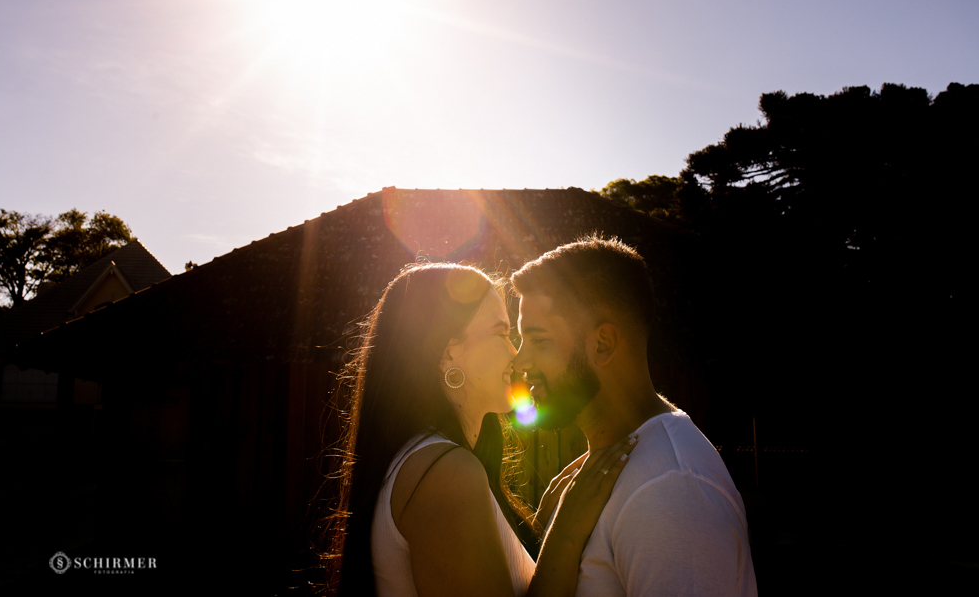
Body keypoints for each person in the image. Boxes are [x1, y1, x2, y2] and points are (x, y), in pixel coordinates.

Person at [322, 262, 637, 596]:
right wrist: (567, 533)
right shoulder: (445, 474)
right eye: (501, 333)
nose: (516, 356)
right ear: (449, 353)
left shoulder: (432, 464)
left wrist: (544, 527)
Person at [511, 236, 758, 596]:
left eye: (538, 340)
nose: (520, 362)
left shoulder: (671, 490)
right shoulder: (612, 472)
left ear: (603, 344)